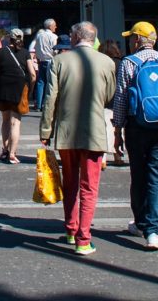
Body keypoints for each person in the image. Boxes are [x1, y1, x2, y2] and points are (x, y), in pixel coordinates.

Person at [40, 22, 116, 256]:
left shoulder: (59, 62)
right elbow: (109, 95)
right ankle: (84, 238)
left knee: (70, 182)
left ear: (75, 37)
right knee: (89, 186)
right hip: (94, 130)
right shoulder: (107, 62)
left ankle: (71, 229)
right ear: (93, 39)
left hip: (66, 131)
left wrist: (45, 131)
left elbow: (50, 99)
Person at [112, 21, 158, 251]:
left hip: (136, 126)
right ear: (153, 41)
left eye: (131, 37)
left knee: (139, 175)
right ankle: (154, 231)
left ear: (137, 40)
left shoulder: (129, 63)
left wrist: (117, 128)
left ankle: (142, 222)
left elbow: (122, 98)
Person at [0, 28, 36, 164]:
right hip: (20, 88)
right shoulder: (25, 53)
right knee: (15, 122)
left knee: (5, 120)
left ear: (9, 39)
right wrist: (31, 90)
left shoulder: (1, 52)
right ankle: (12, 153)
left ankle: (5, 149)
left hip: (3, 87)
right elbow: (33, 74)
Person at [29, 19, 59, 110]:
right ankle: (46, 104)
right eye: (54, 25)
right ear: (50, 26)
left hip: (41, 61)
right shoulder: (53, 36)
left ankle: (38, 105)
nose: (56, 27)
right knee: (50, 83)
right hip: (50, 60)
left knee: (40, 83)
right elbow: (55, 50)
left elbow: (36, 48)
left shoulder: (39, 36)